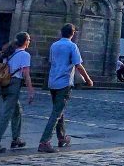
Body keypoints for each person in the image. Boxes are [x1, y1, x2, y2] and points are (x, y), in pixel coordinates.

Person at [39, 23, 93, 153]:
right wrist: (88, 79)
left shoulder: (54, 45)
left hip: (53, 81)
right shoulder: (72, 46)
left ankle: (62, 137)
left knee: (59, 110)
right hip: (64, 82)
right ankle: (44, 141)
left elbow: (52, 62)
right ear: (73, 34)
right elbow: (78, 65)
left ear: (61, 32)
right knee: (56, 112)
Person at [0, 32, 35, 153]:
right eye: (29, 39)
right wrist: (30, 90)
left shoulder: (9, 53)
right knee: (6, 115)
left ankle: (16, 138)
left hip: (4, 83)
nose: (29, 41)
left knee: (17, 111)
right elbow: (26, 74)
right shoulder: (24, 55)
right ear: (25, 41)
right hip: (14, 84)